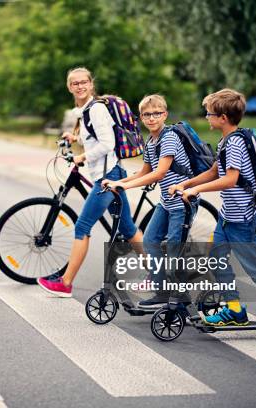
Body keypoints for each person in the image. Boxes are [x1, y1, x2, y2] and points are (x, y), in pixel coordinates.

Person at [169, 88, 256, 344]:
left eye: (208, 113)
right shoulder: (226, 141)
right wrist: (187, 185)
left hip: (244, 220)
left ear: (222, 117)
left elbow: (229, 180)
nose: (206, 117)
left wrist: (195, 190)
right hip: (228, 218)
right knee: (216, 258)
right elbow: (213, 172)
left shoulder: (236, 143)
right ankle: (234, 309)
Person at [37, 67, 143, 297]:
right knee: (128, 229)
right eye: (75, 83)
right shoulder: (84, 110)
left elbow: (107, 144)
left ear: (91, 84)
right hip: (111, 173)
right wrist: (74, 138)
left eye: (84, 82)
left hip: (107, 178)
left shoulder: (96, 110)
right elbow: (93, 135)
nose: (80, 86)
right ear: (69, 87)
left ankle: (65, 283)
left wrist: (82, 156)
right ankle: (160, 274)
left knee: (82, 227)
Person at [104, 95, 197, 308]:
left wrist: (125, 187)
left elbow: (160, 173)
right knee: (150, 242)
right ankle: (162, 292)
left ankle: (181, 300)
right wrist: (117, 181)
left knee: (174, 250)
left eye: (156, 113)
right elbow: (145, 171)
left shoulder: (170, 137)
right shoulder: (151, 140)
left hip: (182, 203)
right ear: (141, 118)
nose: (152, 118)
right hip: (166, 202)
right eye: (147, 114)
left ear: (164, 114)